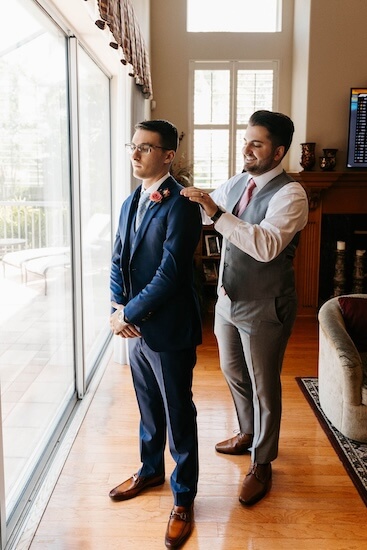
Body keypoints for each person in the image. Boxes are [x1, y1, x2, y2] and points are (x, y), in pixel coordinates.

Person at [181, 110, 309, 506]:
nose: (247, 149)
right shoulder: (239, 182)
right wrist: (179, 195)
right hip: (227, 298)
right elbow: (207, 209)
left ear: (279, 151)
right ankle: (248, 433)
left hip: (265, 303)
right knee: (233, 373)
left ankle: (263, 463)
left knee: (265, 386)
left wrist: (217, 212)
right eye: (246, 140)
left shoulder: (292, 194)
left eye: (257, 143)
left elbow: (266, 245)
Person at [109, 119, 202, 548]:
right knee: (148, 408)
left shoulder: (181, 205)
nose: (135, 154)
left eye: (145, 148)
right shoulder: (133, 200)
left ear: (168, 155)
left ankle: (184, 498)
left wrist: (131, 310)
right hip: (136, 329)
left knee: (178, 413)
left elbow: (170, 274)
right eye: (134, 146)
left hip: (168, 330)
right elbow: (118, 258)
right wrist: (117, 309)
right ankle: (150, 471)